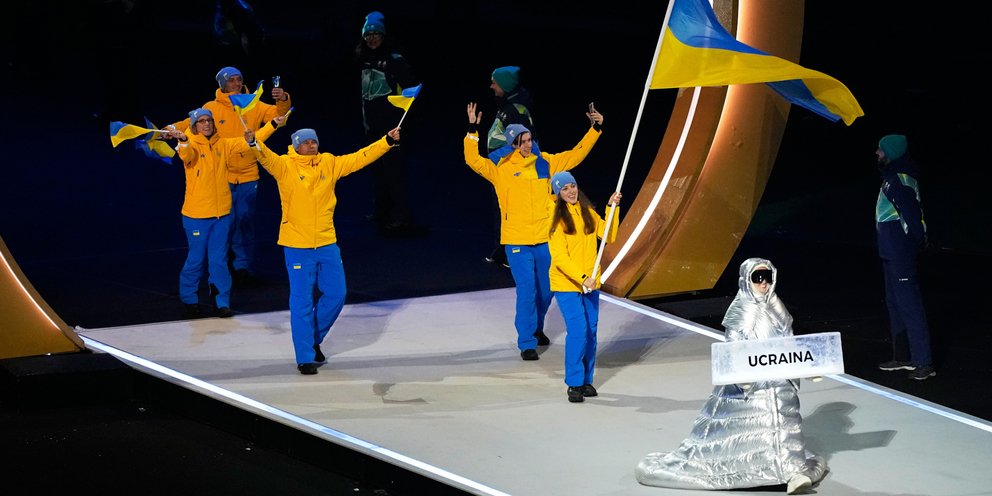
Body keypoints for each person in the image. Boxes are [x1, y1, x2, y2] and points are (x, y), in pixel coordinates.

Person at [635, 258, 828, 494]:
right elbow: (734, 346)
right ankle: (770, 470)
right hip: (751, 384)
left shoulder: (776, 306)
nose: (764, 283)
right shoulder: (741, 310)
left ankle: (792, 472)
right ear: (746, 280)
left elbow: (789, 341)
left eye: (767, 277)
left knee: (784, 425)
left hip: (779, 381)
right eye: (757, 278)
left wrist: (806, 366)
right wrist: (742, 376)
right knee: (754, 428)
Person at [249, 124, 402, 375]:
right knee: (301, 301)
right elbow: (266, 157)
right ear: (296, 146)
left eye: (314, 142)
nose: (311, 146)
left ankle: (312, 340)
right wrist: (254, 143)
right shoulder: (285, 165)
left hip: (326, 242)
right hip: (297, 245)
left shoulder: (328, 163)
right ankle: (305, 357)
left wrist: (386, 141)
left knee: (337, 294)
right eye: (306, 142)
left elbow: (359, 158)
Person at [463, 101, 603, 360]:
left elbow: (575, 155)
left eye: (529, 140)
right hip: (516, 241)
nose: (528, 144)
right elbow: (472, 160)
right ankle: (527, 341)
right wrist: (473, 130)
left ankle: (536, 328)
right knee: (527, 290)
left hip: (544, 239)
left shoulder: (545, 163)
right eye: (523, 141)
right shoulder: (500, 168)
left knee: (546, 290)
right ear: (513, 144)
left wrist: (594, 130)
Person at [171, 66, 292, 285]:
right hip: (222, 175)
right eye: (232, 80)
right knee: (225, 223)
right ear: (222, 84)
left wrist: (283, 99)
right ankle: (222, 263)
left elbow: (278, 115)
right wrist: (170, 128)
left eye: (239, 79)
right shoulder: (212, 107)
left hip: (248, 174)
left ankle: (242, 266)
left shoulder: (252, 103)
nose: (236, 83)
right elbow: (191, 122)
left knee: (244, 222)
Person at [163, 109, 280, 318]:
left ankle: (221, 302)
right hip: (196, 215)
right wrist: (183, 140)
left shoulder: (224, 144)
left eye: (209, 120)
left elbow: (248, 141)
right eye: (201, 121)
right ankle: (190, 299)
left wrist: (272, 125)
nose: (206, 124)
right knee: (196, 259)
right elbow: (186, 155)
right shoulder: (190, 144)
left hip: (222, 215)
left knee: (219, 260)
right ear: (194, 126)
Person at [547, 171, 621, 403]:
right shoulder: (556, 221)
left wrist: (612, 208)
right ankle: (574, 383)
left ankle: (586, 380)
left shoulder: (587, 211)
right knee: (578, 331)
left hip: (589, 284)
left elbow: (609, 236)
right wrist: (582, 277)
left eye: (573, 186)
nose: (571, 191)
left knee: (590, 331)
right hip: (567, 284)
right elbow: (560, 258)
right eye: (565, 189)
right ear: (558, 193)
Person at [356, 11, 425, 237]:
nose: (372, 38)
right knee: (376, 171)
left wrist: (401, 119)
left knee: (393, 172)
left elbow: (410, 90)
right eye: (368, 35)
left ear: (383, 35)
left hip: (391, 126)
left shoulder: (395, 60)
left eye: (376, 34)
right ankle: (381, 211)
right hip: (371, 125)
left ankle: (401, 216)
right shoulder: (362, 57)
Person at [873, 134, 935, 380]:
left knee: (909, 305)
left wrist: (918, 241)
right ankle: (903, 356)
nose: (877, 152)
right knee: (895, 303)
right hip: (890, 250)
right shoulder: (891, 178)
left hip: (900, 252)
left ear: (891, 152)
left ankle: (923, 362)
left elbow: (912, 215)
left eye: (880, 149)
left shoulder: (901, 180)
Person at [484, 66, 537, 268]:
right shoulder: (508, 106)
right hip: (502, 168)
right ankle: (502, 249)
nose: (492, 86)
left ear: (505, 85)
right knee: (501, 209)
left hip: (512, 171)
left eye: (495, 83)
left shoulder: (517, 111)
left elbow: (528, 144)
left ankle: (511, 254)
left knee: (510, 211)